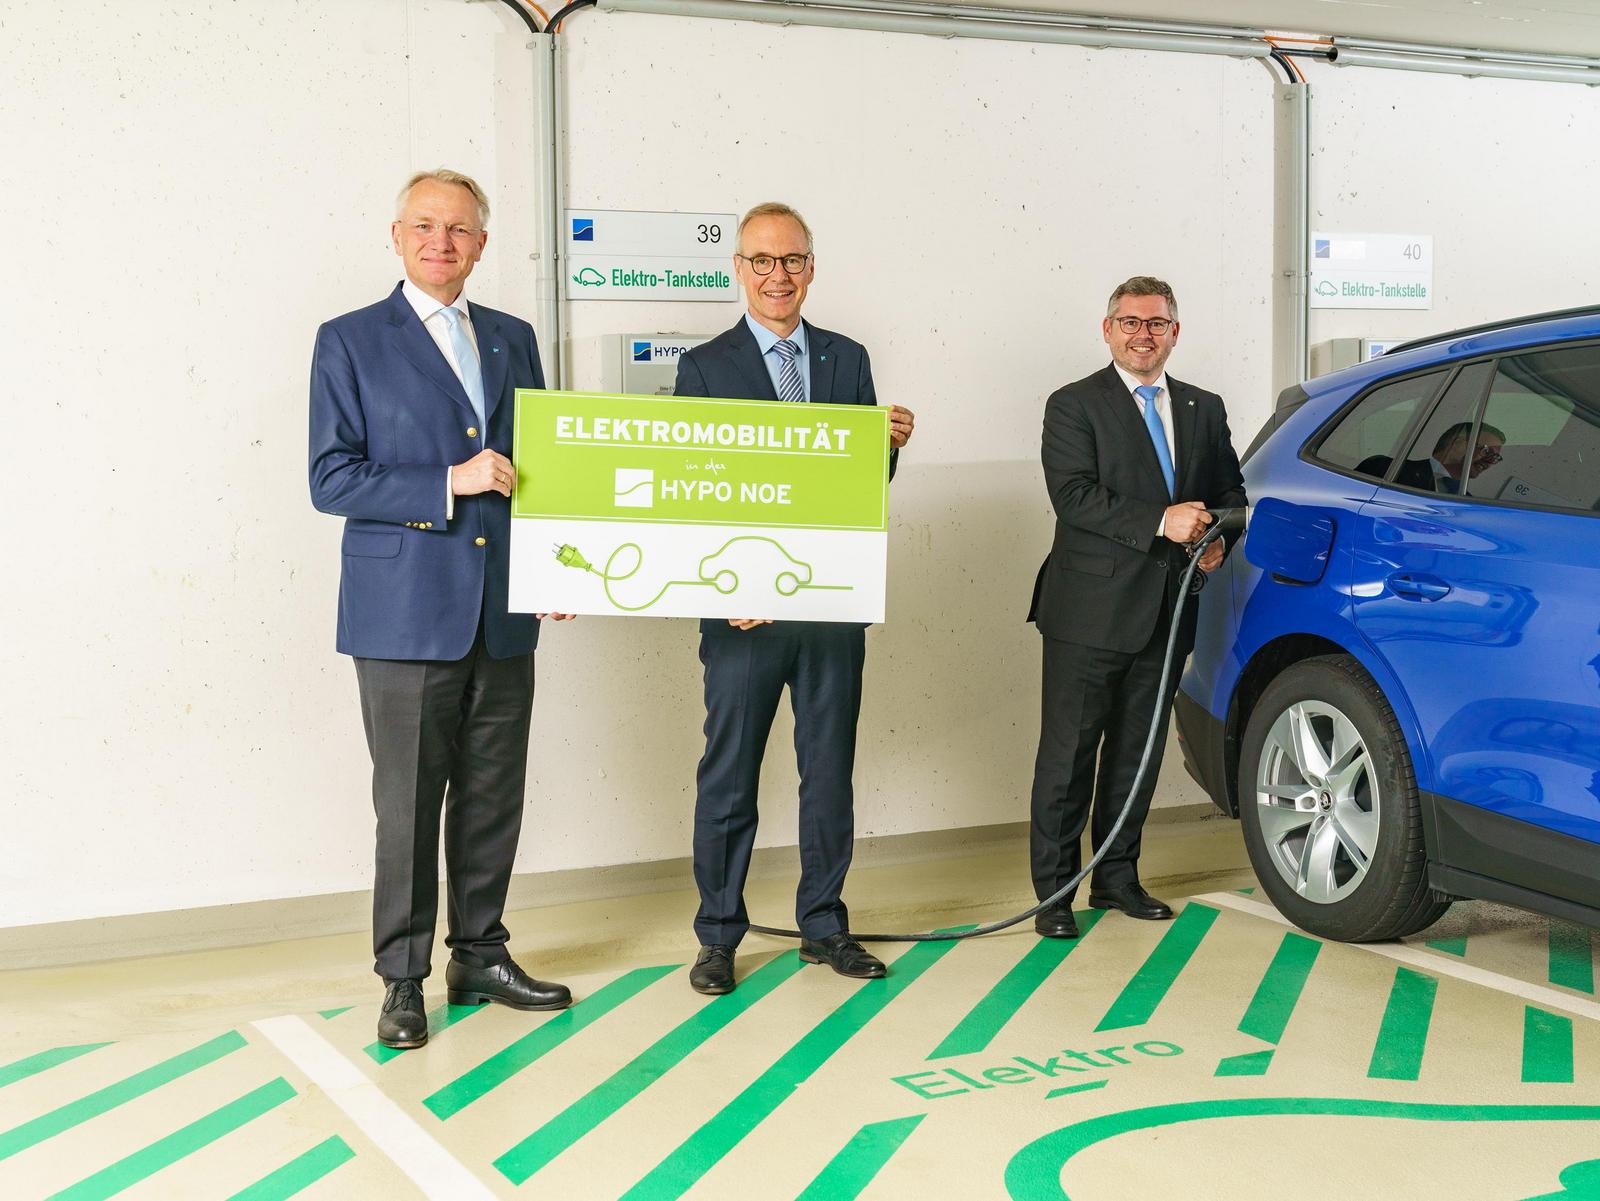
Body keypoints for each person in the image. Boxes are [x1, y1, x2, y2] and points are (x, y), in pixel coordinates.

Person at [309, 168, 572, 1049]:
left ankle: (481, 953)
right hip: (403, 615)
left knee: (494, 795)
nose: (441, 242)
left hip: (503, 607)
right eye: (424, 226)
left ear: (481, 245)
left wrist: (560, 568)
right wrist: (446, 483)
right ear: (396, 236)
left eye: (458, 230)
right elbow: (331, 476)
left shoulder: (513, 337)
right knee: (411, 803)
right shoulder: (349, 340)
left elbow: (547, 465)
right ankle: (402, 978)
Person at [672, 202, 915, 994]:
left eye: (793, 261)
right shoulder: (704, 369)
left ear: (812, 268)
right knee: (730, 774)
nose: (779, 276)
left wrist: (885, 447)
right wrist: (725, 584)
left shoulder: (849, 359)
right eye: (763, 262)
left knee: (828, 771)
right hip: (744, 614)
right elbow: (691, 494)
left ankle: (824, 924)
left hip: (830, 610)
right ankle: (717, 935)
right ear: (739, 269)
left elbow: (862, 488)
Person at [1026, 276, 1246, 938]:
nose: (1142, 335)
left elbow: (1230, 490)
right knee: (1070, 756)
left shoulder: (1203, 407)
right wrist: (1162, 521)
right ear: (1107, 329)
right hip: (1087, 611)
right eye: (1129, 322)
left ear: (1174, 332)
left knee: (1137, 752)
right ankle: (1055, 892)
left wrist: (1216, 542)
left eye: (1155, 324)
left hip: (1168, 610)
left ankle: (1117, 877)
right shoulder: (1074, 405)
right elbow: (1074, 496)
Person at [1387, 421, 1506, 493]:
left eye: (1495, 457)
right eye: (1486, 451)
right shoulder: (1390, 470)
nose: (1490, 461)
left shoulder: (1468, 501)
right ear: (1457, 443)